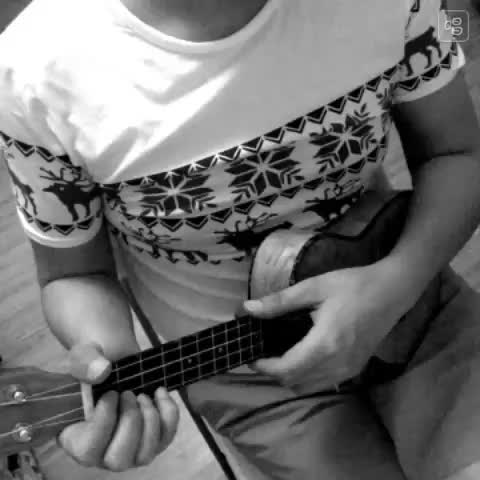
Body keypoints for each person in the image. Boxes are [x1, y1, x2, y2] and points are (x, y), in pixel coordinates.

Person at [1, 0, 480, 478]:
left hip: (412, 302)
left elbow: (458, 153)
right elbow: (75, 272)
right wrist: (109, 361)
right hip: (242, 373)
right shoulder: (30, 73)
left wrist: (395, 283)